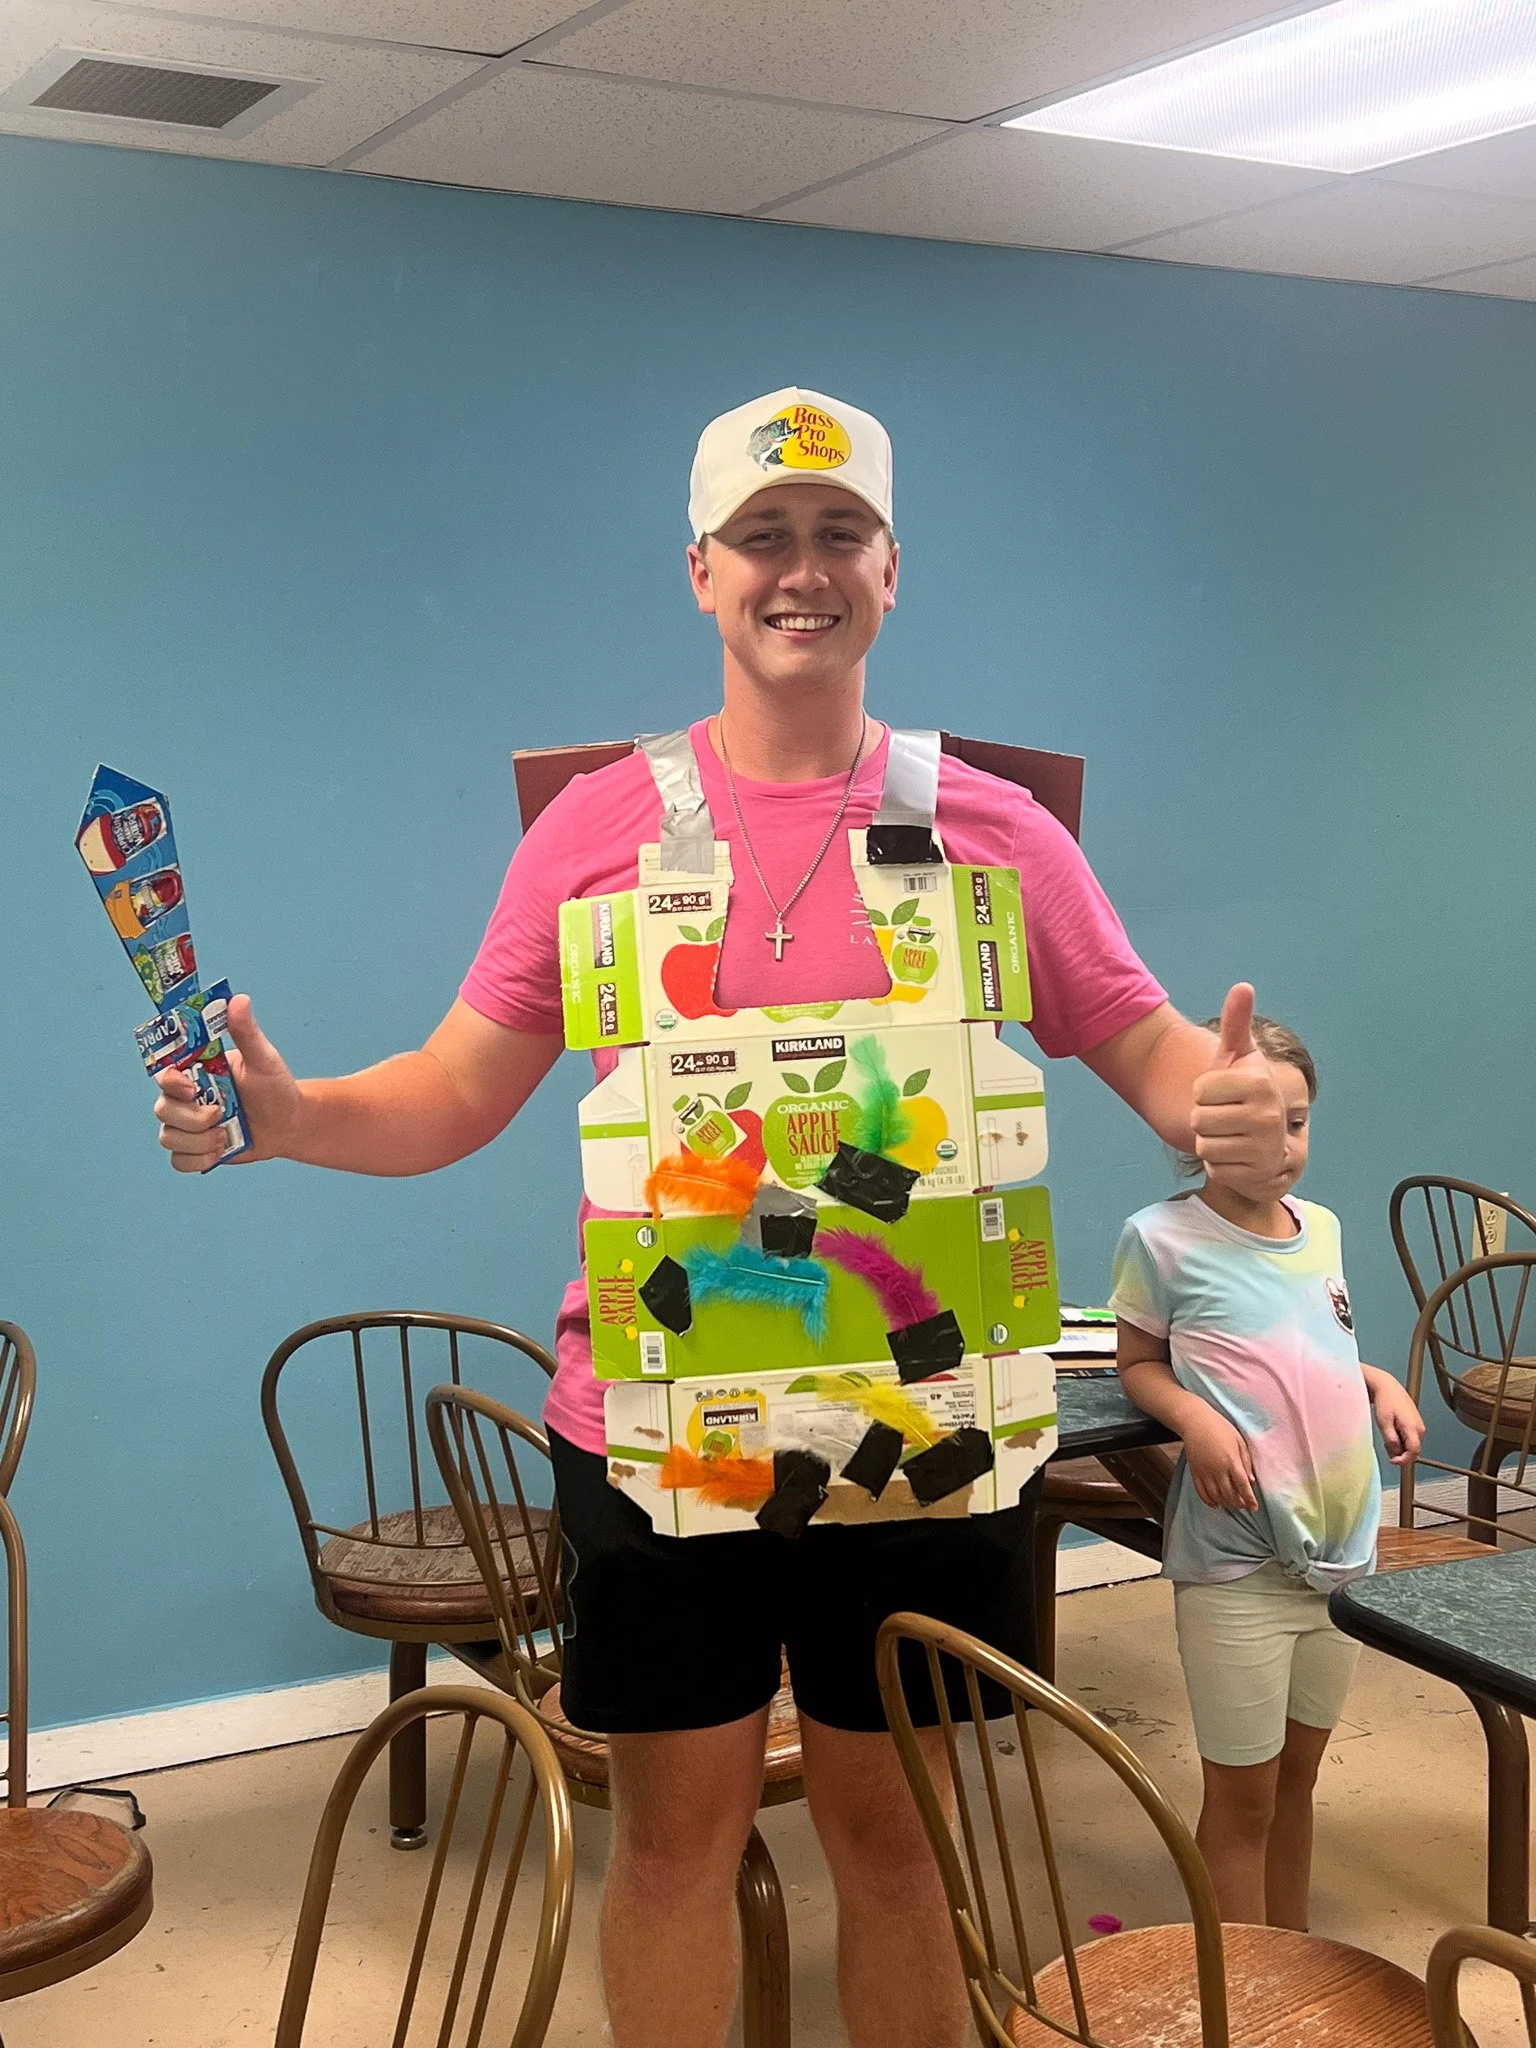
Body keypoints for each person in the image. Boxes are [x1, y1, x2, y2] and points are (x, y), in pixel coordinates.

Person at [155, 386, 1292, 2048]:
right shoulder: (596, 829)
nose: (801, 569)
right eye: (764, 535)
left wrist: (1243, 1106)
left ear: (893, 570)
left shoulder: (991, 823)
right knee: (675, 1843)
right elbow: (457, 1085)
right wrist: (288, 1114)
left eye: (840, 535)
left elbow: (1152, 1042)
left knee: (899, 1842)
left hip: (925, 1439)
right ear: (700, 569)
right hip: (651, 1437)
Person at [1110, 1015, 1424, 1932]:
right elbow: (1137, 1366)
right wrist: (1198, 1419)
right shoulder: (1160, 1240)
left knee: (1298, 1784)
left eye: (1298, 1121)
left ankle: (1292, 1965)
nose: (1282, 1146)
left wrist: (1376, 1380)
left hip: (1339, 1560)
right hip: (1239, 1566)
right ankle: (1242, 2002)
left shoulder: (1319, 1228)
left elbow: (1307, 1344)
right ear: (1198, 1125)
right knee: (1242, 1801)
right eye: (1256, 1122)